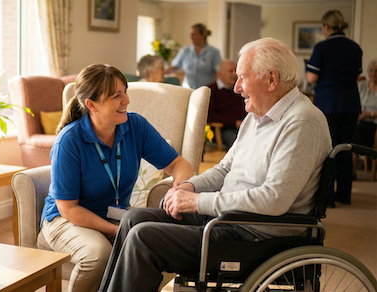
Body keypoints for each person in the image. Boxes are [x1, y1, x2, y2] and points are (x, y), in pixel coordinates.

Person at [98, 37, 332, 292]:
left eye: (242, 77)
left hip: (255, 236)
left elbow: (274, 199)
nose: (236, 87)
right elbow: (224, 169)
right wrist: (188, 186)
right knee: (134, 219)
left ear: (271, 79)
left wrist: (198, 202)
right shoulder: (257, 117)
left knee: (144, 239)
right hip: (225, 220)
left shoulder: (301, 122)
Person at [39, 63, 193, 292]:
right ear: (91, 105)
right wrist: (115, 230)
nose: (126, 101)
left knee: (167, 244)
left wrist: (180, 187)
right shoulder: (69, 141)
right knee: (99, 254)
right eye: (116, 96)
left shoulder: (135, 125)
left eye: (125, 92)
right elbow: (69, 209)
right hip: (65, 219)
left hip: (114, 214)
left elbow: (179, 164)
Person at [306, 9, 362, 207]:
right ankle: (344, 194)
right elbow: (356, 76)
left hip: (328, 103)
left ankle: (327, 197)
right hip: (351, 103)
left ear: (326, 26)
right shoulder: (355, 48)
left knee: (327, 150)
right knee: (345, 148)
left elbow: (311, 77)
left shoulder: (322, 47)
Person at [167, 23, 221, 89]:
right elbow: (174, 67)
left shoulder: (214, 52)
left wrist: (213, 89)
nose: (191, 37)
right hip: (188, 89)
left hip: (206, 90)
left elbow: (218, 73)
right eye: (190, 34)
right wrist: (161, 71)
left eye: (194, 34)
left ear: (203, 35)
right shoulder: (185, 50)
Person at [207, 59, 247, 149]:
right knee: (237, 142)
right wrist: (234, 123)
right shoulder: (211, 90)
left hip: (244, 125)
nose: (234, 74)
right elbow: (210, 116)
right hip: (223, 129)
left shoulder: (239, 89)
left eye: (235, 71)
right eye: (230, 71)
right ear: (220, 74)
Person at [352, 60, 377, 179]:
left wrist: (369, 114)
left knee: (357, 133)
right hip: (357, 120)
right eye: (371, 70)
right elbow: (352, 100)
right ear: (367, 72)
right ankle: (347, 171)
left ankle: (351, 173)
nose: (373, 73)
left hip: (373, 124)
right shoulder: (361, 85)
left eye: (376, 71)